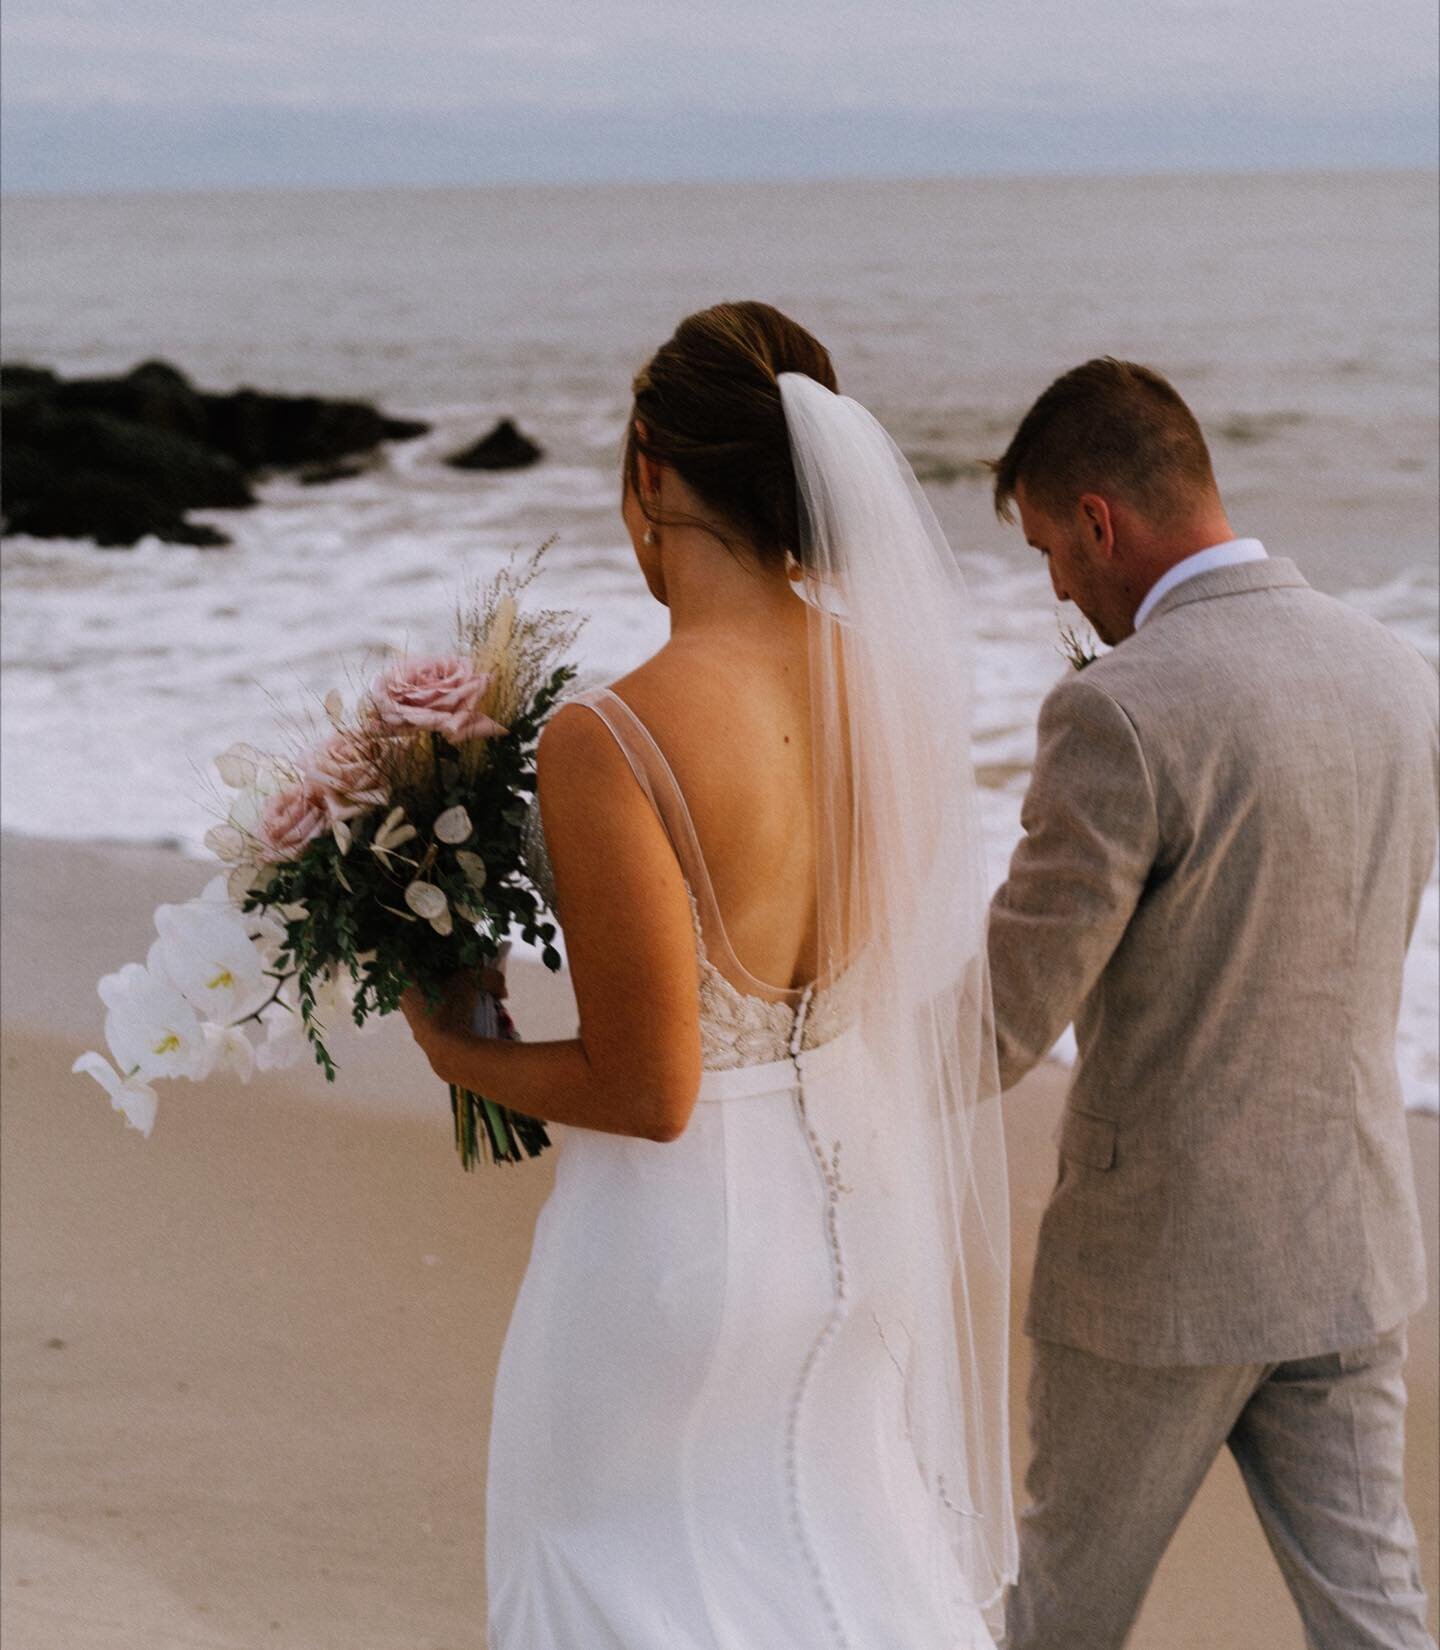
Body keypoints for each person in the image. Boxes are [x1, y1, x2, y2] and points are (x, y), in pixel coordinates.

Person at [404, 301, 1016, 1648]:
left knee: (604, 1578)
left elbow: (651, 1084)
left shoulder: (615, 733)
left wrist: (459, 1052)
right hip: (864, 1212)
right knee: (850, 1570)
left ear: (652, 472)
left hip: (680, 1253)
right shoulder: (886, 684)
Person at [987, 356, 1439, 1650]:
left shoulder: (1118, 711)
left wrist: (818, 1041)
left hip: (1161, 1280)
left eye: (1046, 552)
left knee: (1060, 1619)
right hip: (1348, 1247)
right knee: (1379, 1621)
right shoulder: (1402, 677)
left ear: (1098, 521)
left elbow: (1010, 1018)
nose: (1058, 588)